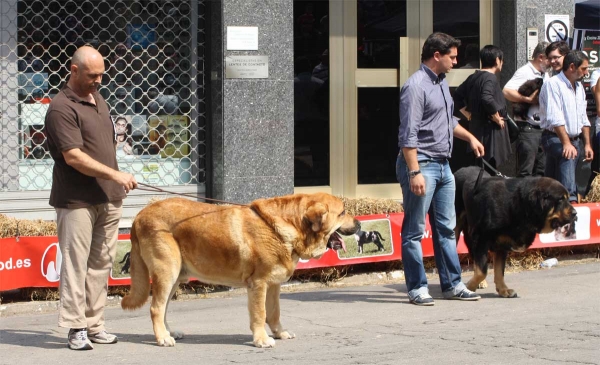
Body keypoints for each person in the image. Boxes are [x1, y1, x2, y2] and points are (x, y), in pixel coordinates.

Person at [44, 46, 138, 350]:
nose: (98, 80)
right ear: (73, 70)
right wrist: (116, 175)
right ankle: (76, 327)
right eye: (92, 75)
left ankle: (95, 323)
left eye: (101, 75)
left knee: (100, 264)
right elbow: (74, 157)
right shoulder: (61, 107)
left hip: (109, 198)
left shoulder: (98, 99)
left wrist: (115, 181)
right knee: (76, 263)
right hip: (76, 200)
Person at [396, 32, 484, 306]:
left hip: (444, 166)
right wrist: (414, 173)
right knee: (414, 230)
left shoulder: (442, 83)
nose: (455, 62)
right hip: (421, 164)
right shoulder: (416, 86)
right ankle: (417, 287)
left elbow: (446, 122)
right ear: (437, 55)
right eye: (452, 57)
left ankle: (452, 284)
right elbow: (408, 136)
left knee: (447, 228)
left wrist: (469, 137)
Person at [540, 50, 591, 203]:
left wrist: (587, 144)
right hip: (554, 137)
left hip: (574, 139)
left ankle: (550, 203)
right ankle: (571, 202)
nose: (586, 72)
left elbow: (583, 118)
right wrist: (566, 143)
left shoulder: (579, 87)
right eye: (584, 68)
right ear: (572, 67)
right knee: (568, 156)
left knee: (553, 179)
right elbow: (555, 117)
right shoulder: (553, 84)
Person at [454, 45, 511, 169]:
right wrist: (496, 116)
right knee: (489, 168)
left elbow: (457, 96)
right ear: (497, 60)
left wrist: (467, 113)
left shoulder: (474, 76)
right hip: (490, 132)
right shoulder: (490, 78)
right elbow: (487, 98)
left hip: (477, 129)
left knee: (479, 166)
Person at [503, 41, 549, 177]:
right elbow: (506, 91)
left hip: (542, 128)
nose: (551, 63)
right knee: (526, 171)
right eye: (549, 59)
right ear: (541, 57)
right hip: (528, 128)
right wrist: (527, 100)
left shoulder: (545, 74)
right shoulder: (524, 71)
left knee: (541, 170)